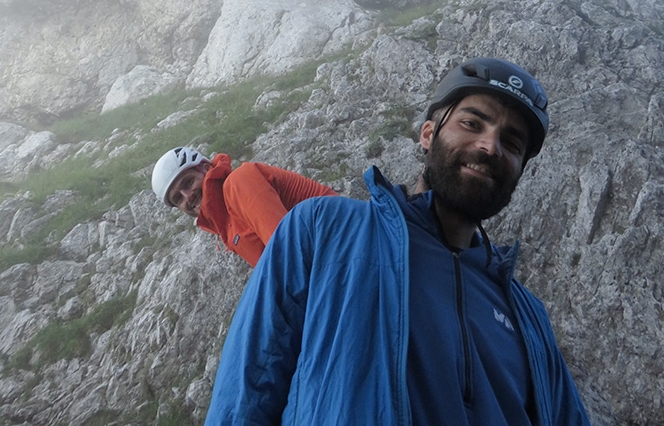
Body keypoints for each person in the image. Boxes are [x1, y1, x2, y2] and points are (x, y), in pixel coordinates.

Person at [204, 57, 592, 426]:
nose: (491, 146)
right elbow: (247, 389)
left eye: (512, 143)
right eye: (473, 123)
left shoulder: (527, 314)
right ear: (428, 134)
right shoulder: (322, 230)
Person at [151, 147, 336, 267]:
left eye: (188, 182)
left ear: (206, 168)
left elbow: (289, 252)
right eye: (177, 198)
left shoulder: (239, 182)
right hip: (327, 257)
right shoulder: (226, 225)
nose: (188, 196)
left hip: (340, 240)